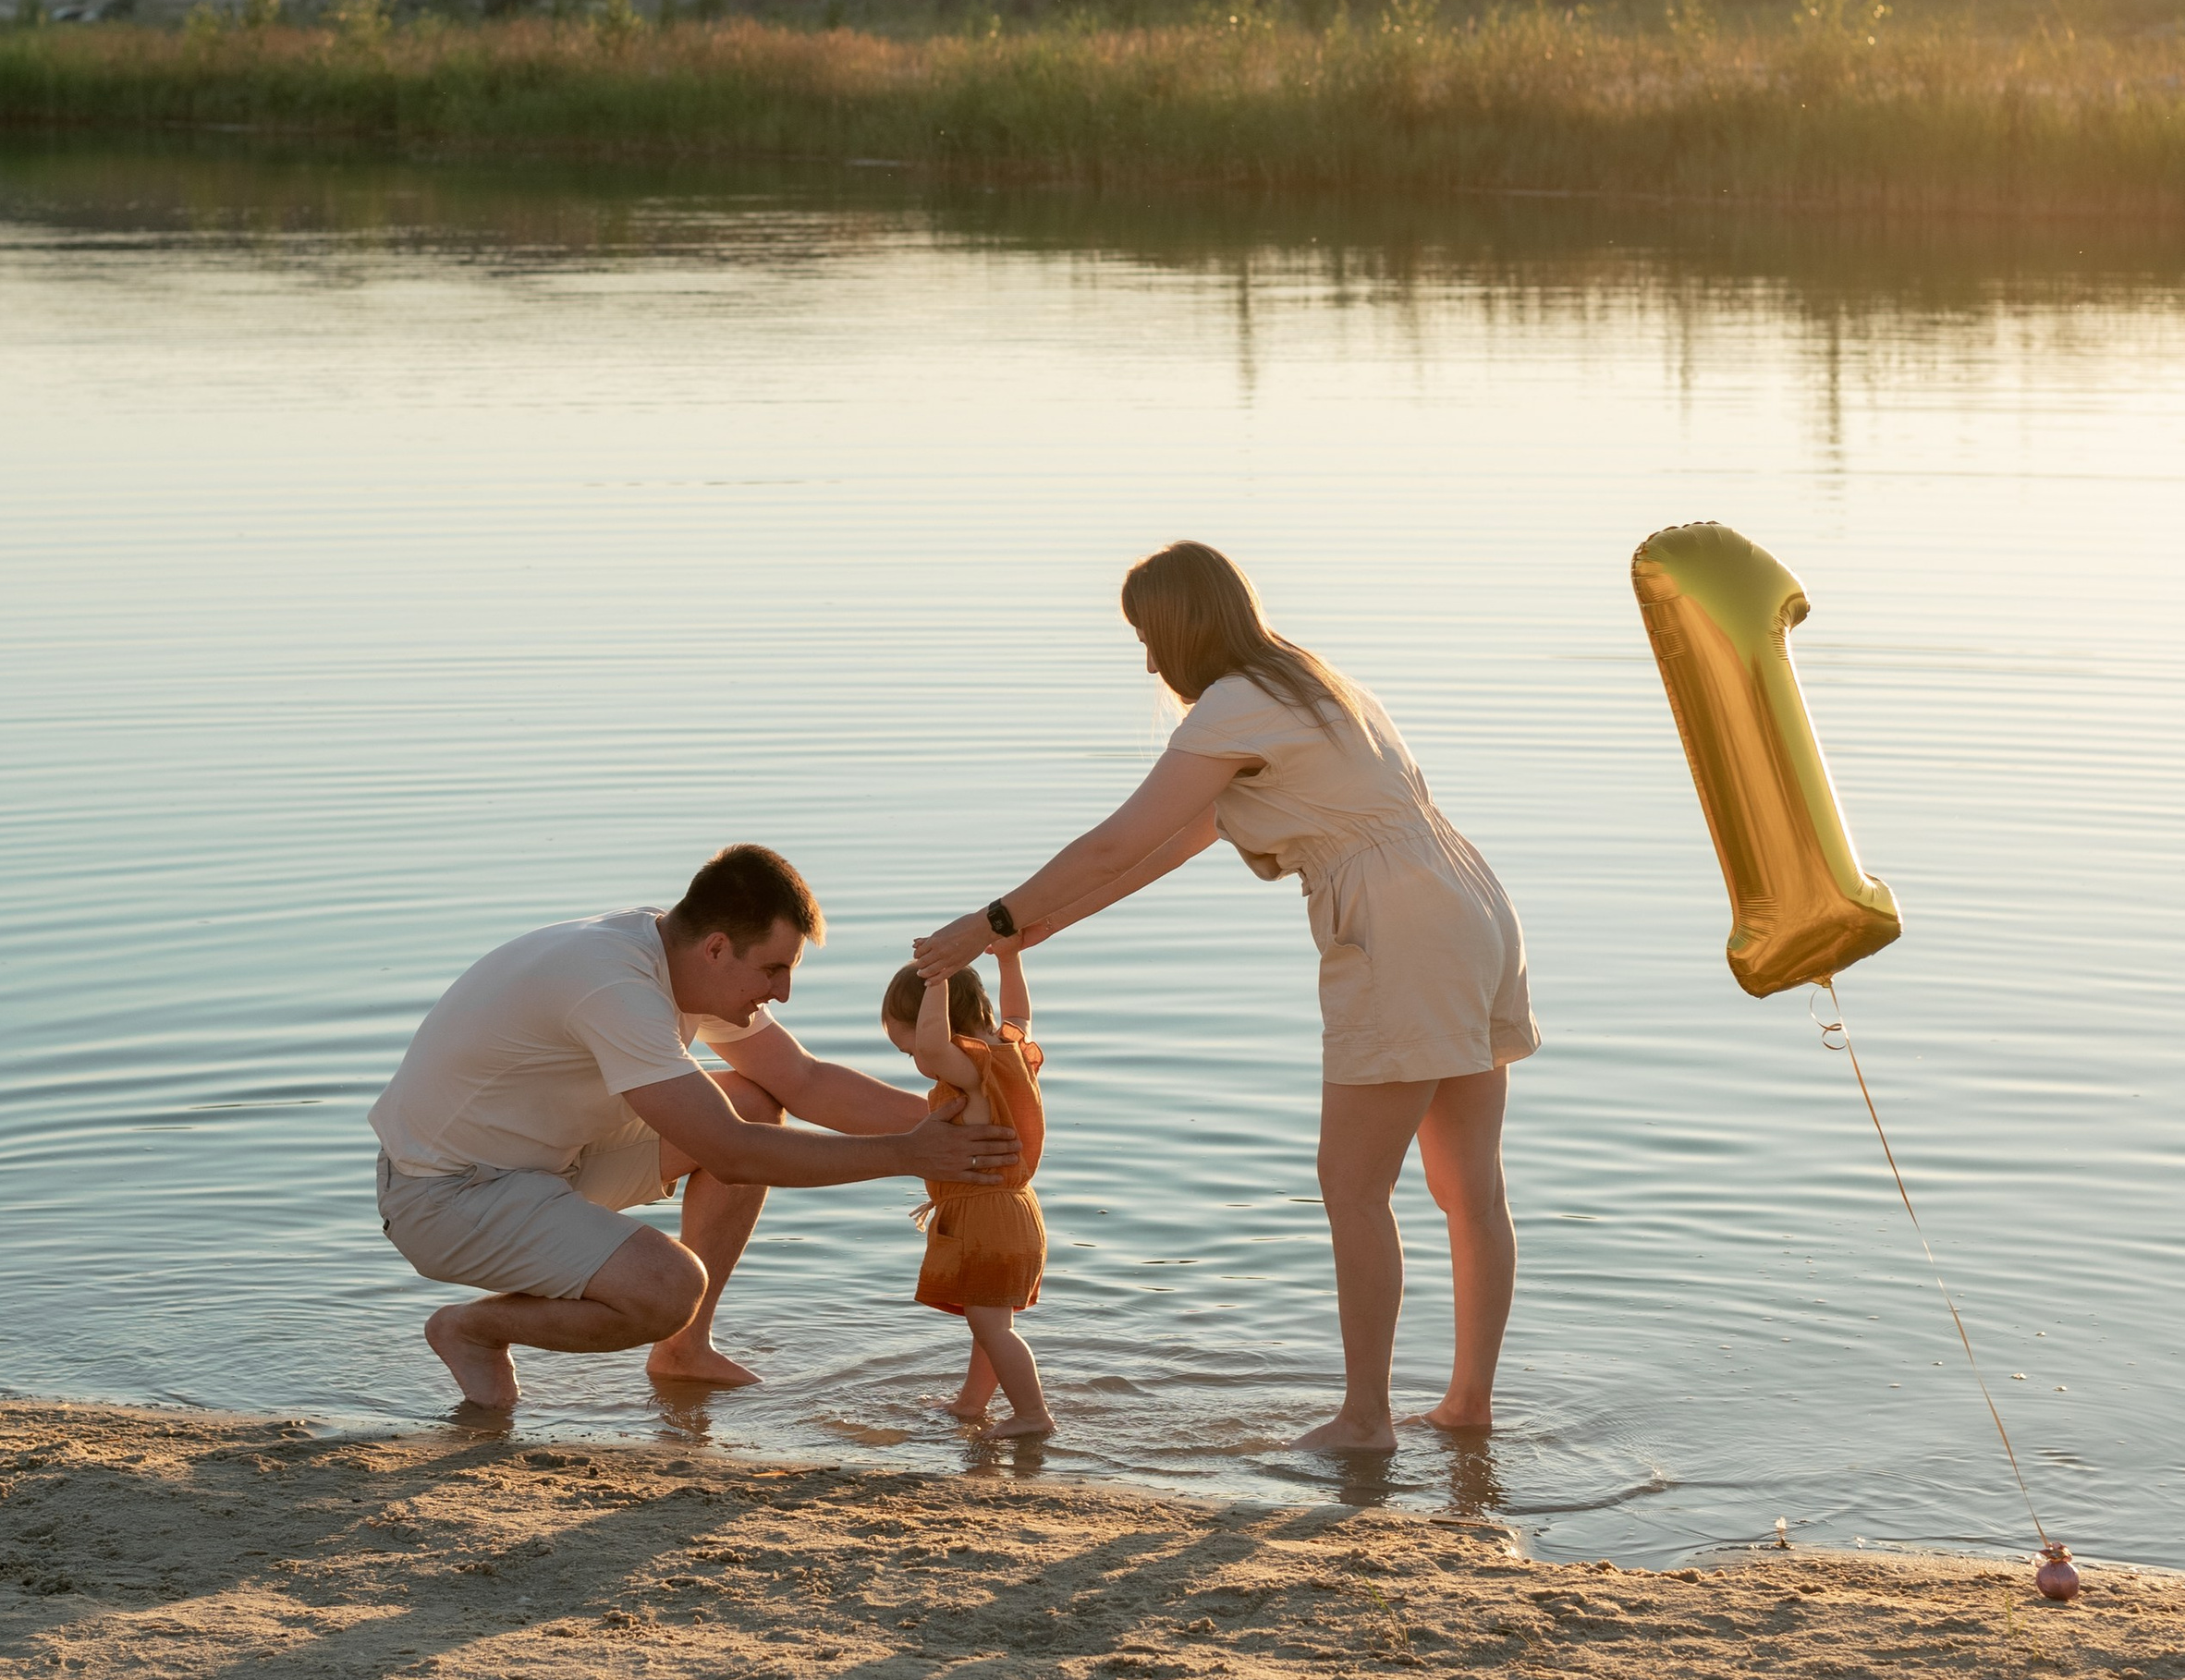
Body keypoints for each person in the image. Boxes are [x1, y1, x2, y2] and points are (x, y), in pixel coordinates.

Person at [914, 542, 1536, 1452]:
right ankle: (1466, 1406)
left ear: (1176, 628)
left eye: (1145, 637)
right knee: (1470, 1191)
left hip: (1395, 928)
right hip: (1467, 904)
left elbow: (1113, 838)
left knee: (1351, 1186)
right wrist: (1040, 927)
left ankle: (1366, 1420)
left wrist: (987, 921)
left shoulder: (1230, 706)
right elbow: (1173, 841)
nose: (1146, 662)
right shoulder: (1311, 685)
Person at [371, 841, 1022, 1412]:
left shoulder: (677, 956)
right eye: (774, 969)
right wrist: (912, 1155)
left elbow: (802, 1080)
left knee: (756, 1099)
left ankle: (683, 1353)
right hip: (448, 1196)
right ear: (716, 948)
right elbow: (732, 1154)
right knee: (667, 1285)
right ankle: (473, 1329)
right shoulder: (614, 985)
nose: (784, 991)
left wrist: (972, 1127)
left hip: (550, 1164)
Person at [881, 948, 1051, 1436]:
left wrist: (936, 979)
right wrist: (1009, 959)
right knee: (989, 1325)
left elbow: (935, 1046)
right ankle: (971, 1405)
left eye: (907, 1049)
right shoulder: (1009, 1053)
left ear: (937, 1024)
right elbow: (1018, 1013)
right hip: (1017, 1210)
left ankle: (1033, 1415)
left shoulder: (970, 1074)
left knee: (992, 1327)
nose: (916, 1059)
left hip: (986, 1216)